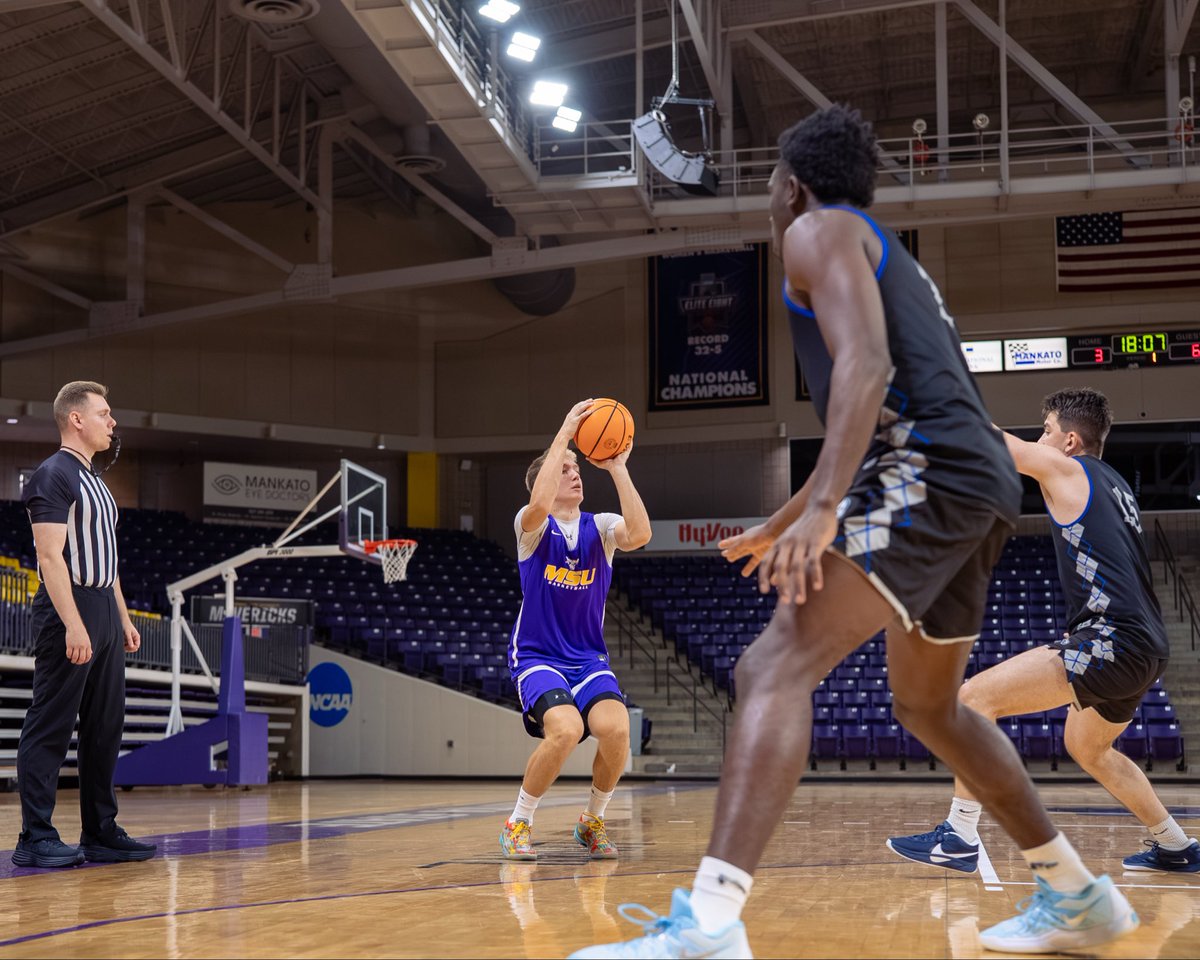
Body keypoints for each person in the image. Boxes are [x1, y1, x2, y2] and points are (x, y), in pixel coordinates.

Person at [568, 106, 1137, 958]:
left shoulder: (815, 231)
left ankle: (712, 925)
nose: (767, 196)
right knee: (929, 707)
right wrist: (786, 516)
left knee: (771, 664)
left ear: (793, 185)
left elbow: (866, 373)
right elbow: (877, 410)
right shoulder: (877, 247)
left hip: (933, 472)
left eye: (769, 182)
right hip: (974, 483)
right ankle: (1076, 893)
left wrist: (828, 507)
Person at [888, 388, 1193, 874]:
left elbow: (992, 443)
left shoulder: (1068, 469)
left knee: (971, 699)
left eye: (1046, 430)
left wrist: (928, 392)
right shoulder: (1116, 484)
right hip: (1146, 645)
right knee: (1087, 748)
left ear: (1070, 441)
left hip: (1111, 638)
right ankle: (1176, 844)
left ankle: (958, 836)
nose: (1039, 438)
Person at [500, 400, 652, 862]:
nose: (574, 473)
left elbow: (641, 534)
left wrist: (618, 467)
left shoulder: (601, 527)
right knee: (565, 730)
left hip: (587, 659)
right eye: (565, 469)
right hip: (538, 656)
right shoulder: (531, 527)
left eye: (575, 468)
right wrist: (565, 435)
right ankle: (518, 822)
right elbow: (540, 501)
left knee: (616, 728)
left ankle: (592, 822)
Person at [13, 381, 157, 868]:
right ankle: (35, 836)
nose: (112, 422)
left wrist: (121, 616)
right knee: (51, 723)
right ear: (76, 419)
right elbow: (51, 559)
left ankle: (100, 830)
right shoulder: (53, 475)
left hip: (101, 608)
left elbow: (107, 560)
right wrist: (75, 625)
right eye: (104, 413)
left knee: (105, 726)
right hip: (67, 609)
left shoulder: (97, 481)